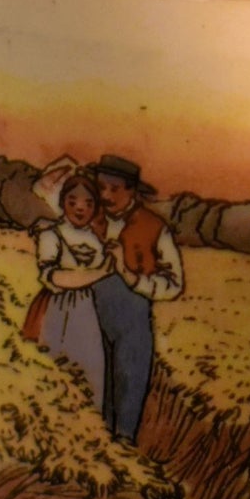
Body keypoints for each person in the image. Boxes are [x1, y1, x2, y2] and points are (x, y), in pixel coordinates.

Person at [89, 154, 184, 445]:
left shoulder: (155, 227)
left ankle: (124, 448)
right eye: (102, 187)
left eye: (114, 189)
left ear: (132, 191)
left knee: (129, 383)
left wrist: (134, 280)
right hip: (89, 313)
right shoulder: (85, 214)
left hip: (133, 316)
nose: (105, 195)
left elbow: (174, 283)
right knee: (93, 384)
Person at [22, 169, 111, 404]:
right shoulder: (51, 234)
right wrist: (98, 273)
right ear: (63, 203)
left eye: (88, 203)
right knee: (53, 372)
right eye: (73, 202)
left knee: (91, 374)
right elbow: (53, 277)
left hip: (90, 314)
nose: (80, 208)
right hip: (56, 309)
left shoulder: (96, 240)